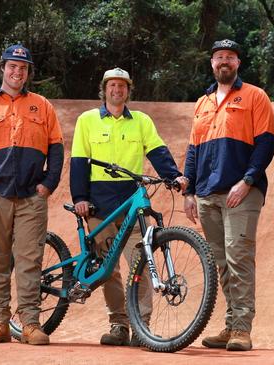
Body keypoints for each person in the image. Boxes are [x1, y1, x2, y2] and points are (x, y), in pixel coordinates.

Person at [70, 67, 188, 346]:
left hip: (131, 201)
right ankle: (119, 324)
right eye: (112, 85)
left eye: (122, 86)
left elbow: (157, 151)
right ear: (104, 89)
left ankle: (141, 326)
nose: (117, 90)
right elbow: (78, 162)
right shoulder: (87, 120)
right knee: (108, 267)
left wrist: (173, 176)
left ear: (128, 90)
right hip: (98, 203)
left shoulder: (141, 121)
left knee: (142, 264)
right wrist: (80, 198)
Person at [0, 44, 64, 346]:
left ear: (28, 72)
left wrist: (48, 185)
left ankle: (30, 323)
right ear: (2, 68)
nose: (17, 72)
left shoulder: (42, 106)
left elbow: (56, 149)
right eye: (12, 66)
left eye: (23, 68)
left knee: (30, 260)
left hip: (32, 197)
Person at [183, 39, 274, 351]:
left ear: (237, 63)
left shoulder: (254, 96)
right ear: (212, 63)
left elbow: (265, 143)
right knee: (220, 262)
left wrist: (248, 181)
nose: (224, 61)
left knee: (239, 258)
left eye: (230, 57)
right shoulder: (202, 102)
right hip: (208, 193)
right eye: (219, 57)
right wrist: (190, 192)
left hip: (241, 193)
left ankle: (242, 329)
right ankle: (229, 323)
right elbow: (194, 150)